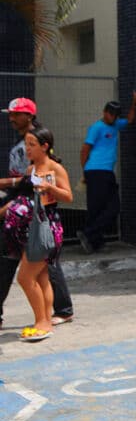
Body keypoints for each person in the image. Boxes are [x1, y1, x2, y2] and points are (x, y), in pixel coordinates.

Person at [0, 98, 75, 329]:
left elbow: (63, 195)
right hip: (23, 221)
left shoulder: (52, 166)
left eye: (32, 144)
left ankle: (51, 316)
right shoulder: (33, 165)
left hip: (41, 223)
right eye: (27, 144)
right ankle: (45, 319)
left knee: (28, 273)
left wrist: (9, 200)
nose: (28, 148)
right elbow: (27, 183)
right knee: (39, 273)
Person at [78, 91, 136, 253]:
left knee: (112, 207)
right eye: (110, 114)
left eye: (115, 115)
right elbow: (85, 150)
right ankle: (93, 239)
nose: (112, 117)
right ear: (105, 112)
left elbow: (130, 120)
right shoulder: (97, 128)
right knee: (98, 207)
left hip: (106, 172)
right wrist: (85, 171)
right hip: (95, 171)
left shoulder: (116, 125)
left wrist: (134, 102)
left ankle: (90, 235)